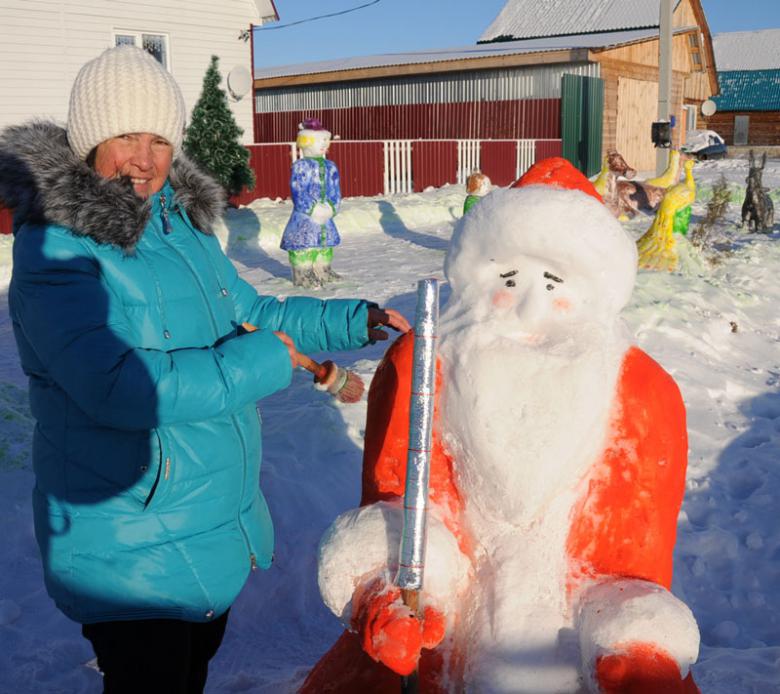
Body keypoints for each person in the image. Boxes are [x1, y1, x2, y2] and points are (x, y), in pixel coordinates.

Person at [0, 45, 409, 694]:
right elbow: (118, 385)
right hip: (127, 544)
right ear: (88, 139)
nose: (145, 157)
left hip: (206, 525)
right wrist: (265, 360)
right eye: (126, 134)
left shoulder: (178, 226)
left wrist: (352, 321)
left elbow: (248, 311)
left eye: (160, 139)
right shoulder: (56, 246)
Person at [303, 159, 700, 693]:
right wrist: (390, 592)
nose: (531, 309)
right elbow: (396, 508)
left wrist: (633, 641)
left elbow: (631, 565)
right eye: (509, 280)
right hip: (435, 657)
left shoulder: (641, 392)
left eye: (555, 283)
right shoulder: (421, 366)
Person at [280, 118, 342, 288]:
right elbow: (298, 190)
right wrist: (312, 208)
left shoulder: (331, 167)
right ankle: (303, 273)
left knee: (325, 245)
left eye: (326, 141)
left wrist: (332, 207)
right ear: (306, 143)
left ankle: (323, 269)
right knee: (304, 244)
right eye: (320, 141)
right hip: (306, 216)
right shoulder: (300, 166)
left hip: (326, 215)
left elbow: (336, 189)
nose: (324, 145)